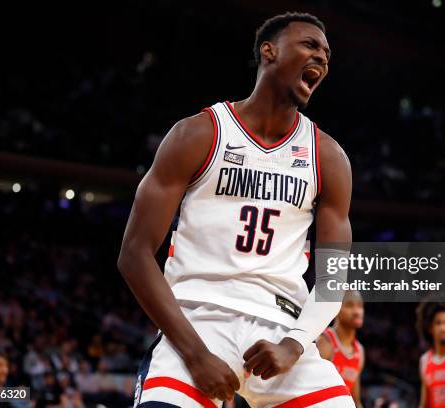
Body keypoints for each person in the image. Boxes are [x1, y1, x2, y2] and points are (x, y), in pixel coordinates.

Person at [118, 11, 355, 407]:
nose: (322, 58)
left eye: (327, 54)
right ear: (269, 51)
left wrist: (294, 346)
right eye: (310, 45)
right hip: (198, 320)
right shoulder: (199, 133)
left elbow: (334, 278)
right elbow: (134, 253)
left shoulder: (328, 156)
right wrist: (194, 355)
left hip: (282, 329)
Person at [318, 290, 365, 407]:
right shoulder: (325, 341)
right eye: (349, 305)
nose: (357, 311)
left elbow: (355, 400)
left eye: (360, 306)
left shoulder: (360, 351)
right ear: (336, 309)